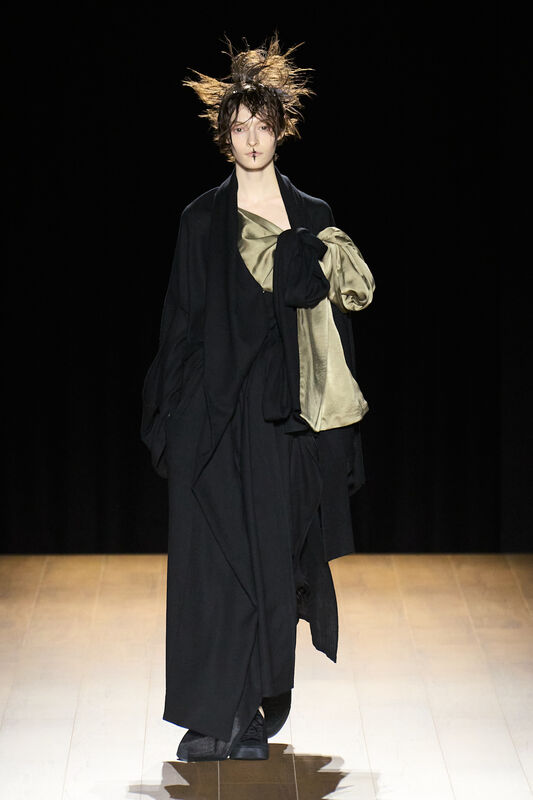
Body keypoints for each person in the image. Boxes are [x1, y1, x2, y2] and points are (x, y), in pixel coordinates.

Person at [140, 34, 375, 763]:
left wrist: (339, 438)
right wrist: (172, 419)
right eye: (238, 128)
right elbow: (180, 322)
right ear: (224, 136)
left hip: (284, 424)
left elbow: (334, 335)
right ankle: (216, 713)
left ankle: (255, 713)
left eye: (261, 126)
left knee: (272, 565)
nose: (250, 140)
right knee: (214, 566)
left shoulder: (311, 215)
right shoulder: (201, 220)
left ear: (280, 130)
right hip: (214, 420)